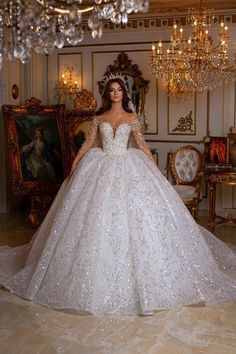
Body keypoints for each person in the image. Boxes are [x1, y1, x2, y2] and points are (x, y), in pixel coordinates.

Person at [0, 75, 236, 316]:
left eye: (119, 90)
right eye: (111, 90)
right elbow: (88, 143)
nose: (115, 93)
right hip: (99, 166)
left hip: (127, 164)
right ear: (108, 94)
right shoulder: (98, 117)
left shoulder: (131, 118)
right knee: (94, 217)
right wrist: (75, 163)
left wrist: (155, 170)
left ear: (124, 93)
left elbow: (141, 145)